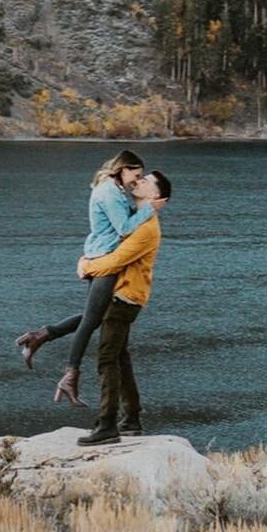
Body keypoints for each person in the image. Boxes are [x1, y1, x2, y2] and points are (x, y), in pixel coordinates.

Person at [15, 149, 155, 406]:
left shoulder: (113, 189)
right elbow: (123, 228)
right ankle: (69, 375)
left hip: (101, 258)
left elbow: (120, 225)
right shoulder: (109, 192)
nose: (138, 179)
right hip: (104, 261)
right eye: (137, 174)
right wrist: (150, 209)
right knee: (93, 319)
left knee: (96, 316)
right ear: (123, 169)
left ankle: (41, 336)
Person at [74, 169, 172, 445]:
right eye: (139, 177)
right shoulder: (134, 218)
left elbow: (115, 262)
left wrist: (85, 265)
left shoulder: (146, 228)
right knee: (120, 358)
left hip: (124, 299)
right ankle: (131, 419)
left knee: (106, 359)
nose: (137, 181)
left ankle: (107, 425)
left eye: (145, 181)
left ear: (155, 196)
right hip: (125, 296)